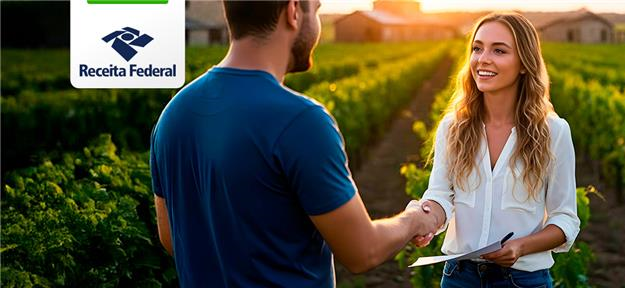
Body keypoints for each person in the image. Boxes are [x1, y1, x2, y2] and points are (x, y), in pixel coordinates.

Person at [149, 1, 438, 286]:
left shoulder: (173, 114)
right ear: (293, 11)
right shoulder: (301, 120)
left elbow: (172, 239)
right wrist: (413, 219)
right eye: (317, 9)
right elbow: (363, 251)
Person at [410, 12, 581, 288]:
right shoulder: (453, 127)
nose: (483, 59)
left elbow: (566, 219)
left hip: (523, 281)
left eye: (499, 50)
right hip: (458, 278)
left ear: (524, 63)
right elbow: (440, 196)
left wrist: (521, 247)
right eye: (477, 48)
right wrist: (423, 220)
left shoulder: (554, 132)